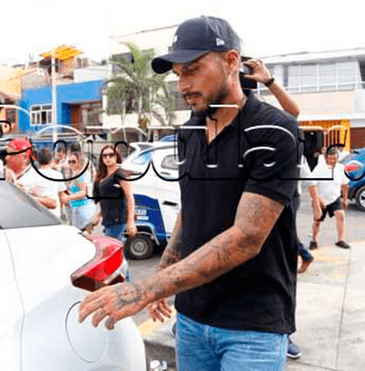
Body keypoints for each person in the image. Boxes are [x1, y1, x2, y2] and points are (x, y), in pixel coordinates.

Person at [78, 16, 299, 370]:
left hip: (252, 323)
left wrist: (144, 289)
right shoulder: (190, 131)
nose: (183, 84)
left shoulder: (274, 132)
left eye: (193, 70)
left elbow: (247, 237)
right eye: (179, 74)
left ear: (231, 61)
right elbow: (191, 207)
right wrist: (165, 270)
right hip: (193, 317)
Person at [243, 59, 310, 362]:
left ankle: (283, 332)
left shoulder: (272, 123)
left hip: (281, 203)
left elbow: (293, 112)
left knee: (278, 265)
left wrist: (269, 80)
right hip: (242, 199)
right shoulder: (217, 120)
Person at [4, 139, 65, 218]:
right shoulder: (1, 173)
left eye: (12, 154)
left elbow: (52, 203)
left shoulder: (37, 177)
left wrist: (25, 195)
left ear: (25, 158)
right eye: (7, 154)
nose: (7, 158)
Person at [92, 145, 137, 246]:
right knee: (115, 255)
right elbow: (107, 201)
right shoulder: (102, 176)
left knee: (110, 252)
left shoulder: (121, 174)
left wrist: (131, 221)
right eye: (105, 156)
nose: (108, 158)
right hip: (108, 222)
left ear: (117, 157)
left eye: (111, 155)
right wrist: (98, 216)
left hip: (119, 222)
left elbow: (130, 198)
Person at [308, 147, 351, 250]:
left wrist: (345, 199)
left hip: (335, 197)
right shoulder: (320, 168)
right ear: (326, 158)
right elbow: (312, 185)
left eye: (334, 159)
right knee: (317, 220)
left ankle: (340, 240)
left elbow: (345, 185)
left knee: (340, 215)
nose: (332, 161)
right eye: (330, 159)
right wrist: (317, 201)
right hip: (321, 197)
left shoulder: (341, 168)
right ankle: (314, 240)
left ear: (338, 158)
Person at [62, 151, 97, 232]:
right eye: (69, 162)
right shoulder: (75, 174)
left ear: (79, 162)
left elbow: (83, 192)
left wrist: (68, 197)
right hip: (78, 210)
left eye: (73, 161)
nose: (71, 164)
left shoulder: (82, 175)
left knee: (84, 236)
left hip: (84, 210)